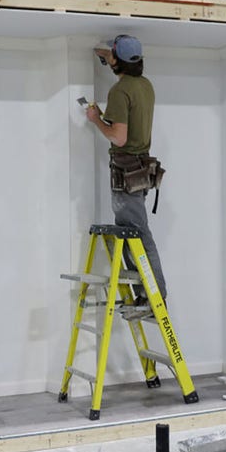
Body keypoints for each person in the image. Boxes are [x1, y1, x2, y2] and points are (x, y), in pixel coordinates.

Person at [86, 35, 167, 303]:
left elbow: (118, 138)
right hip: (141, 169)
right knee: (135, 232)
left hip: (126, 170)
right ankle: (146, 293)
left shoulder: (119, 92)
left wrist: (97, 119)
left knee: (138, 234)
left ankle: (155, 295)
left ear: (118, 62)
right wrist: (109, 55)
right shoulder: (145, 85)